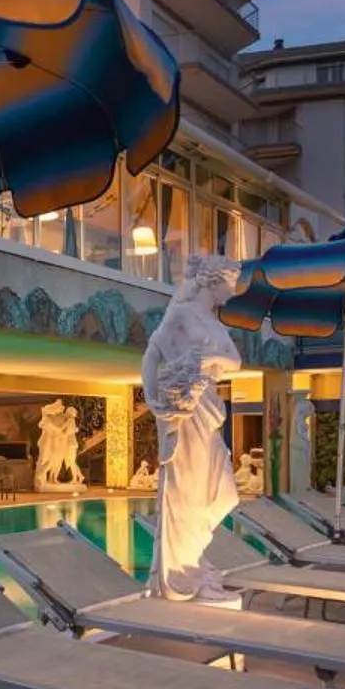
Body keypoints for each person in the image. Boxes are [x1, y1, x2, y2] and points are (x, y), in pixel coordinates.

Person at [143, 255, 243, 602]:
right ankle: (183, 571)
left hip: (209, 407)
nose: (233, 292)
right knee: (186, 490)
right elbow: (152, 353)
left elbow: (235, 361)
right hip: (184, 412)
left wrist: (209, 360)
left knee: (220, 491)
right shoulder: (181, 314)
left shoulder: (215, 324)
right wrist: (154, 399)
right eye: (231, 284)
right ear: (214, 281)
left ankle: (194, 561)